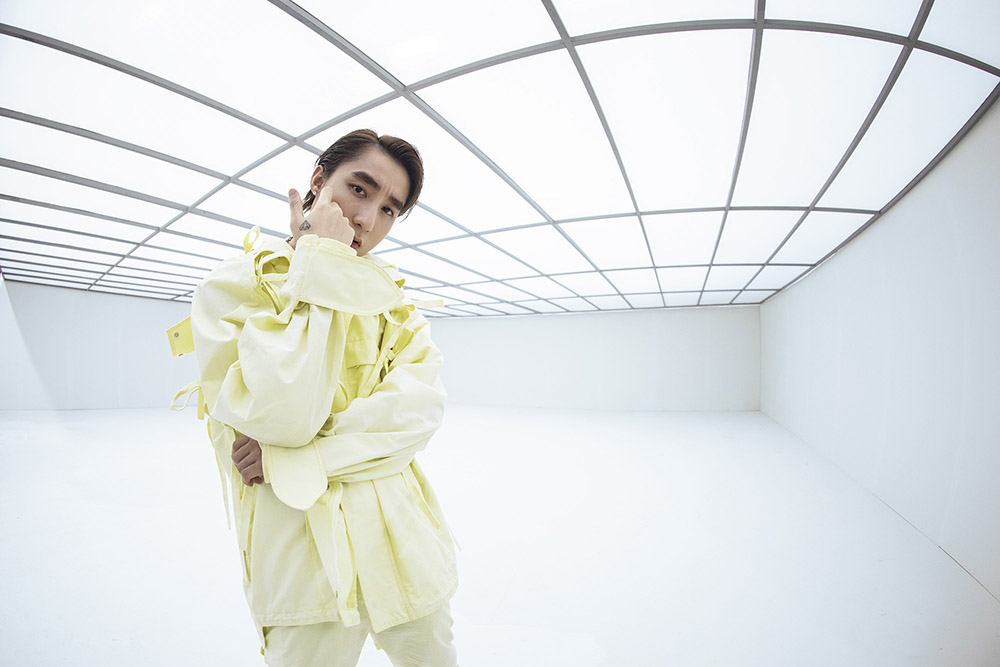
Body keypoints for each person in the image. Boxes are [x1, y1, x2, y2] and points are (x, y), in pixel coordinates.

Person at [185, 129, 458, 666]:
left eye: (389, 209)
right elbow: (285, 415)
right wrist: (323, 263)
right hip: (302, 566)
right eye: (359, 189)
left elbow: (416, 415)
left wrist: (296, 460)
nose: (367, 219)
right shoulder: (235, 288)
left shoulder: (395, 306)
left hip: (403, 548)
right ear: (317, 181)